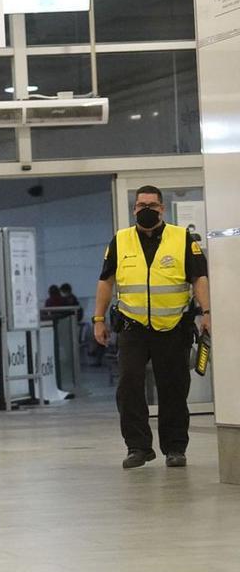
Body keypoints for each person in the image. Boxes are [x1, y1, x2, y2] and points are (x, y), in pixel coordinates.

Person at [93, 185, 210, 470]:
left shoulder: (182, 239)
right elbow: (106, 281)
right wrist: (98, 319)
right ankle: (138, 447)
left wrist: (206, 313)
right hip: (133, 327)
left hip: (172, 327)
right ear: (134, 209)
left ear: (162, 209)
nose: (146, 209)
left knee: (173, 389)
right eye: (141, 205)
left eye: (153, 205)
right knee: (129, 386)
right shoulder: (120, 241)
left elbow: (199, 278)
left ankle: (174, 448)